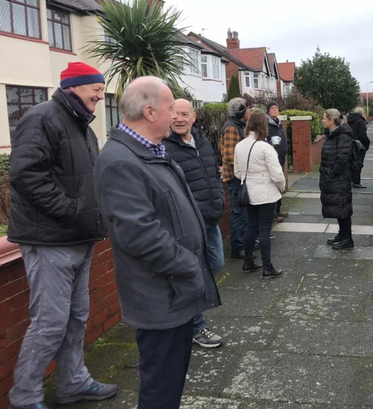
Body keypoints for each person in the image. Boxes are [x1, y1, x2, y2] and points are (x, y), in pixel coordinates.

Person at [93, 77, 221, 409]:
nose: (174, 115)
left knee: (171, 380)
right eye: (169, 109)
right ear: (150, 112)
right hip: (160, 295)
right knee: (160, 387)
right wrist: (189, 265)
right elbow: (140, 235)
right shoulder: (121, 161)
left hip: (174, 292)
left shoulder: (150, 150)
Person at [7, 62, 118, 409]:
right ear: (73, 87)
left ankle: (73, 383)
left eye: (101, 90)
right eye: (95, 89)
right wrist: (71, 211)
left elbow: (87, 180)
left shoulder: (84, 127)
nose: (101, 96)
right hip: (49, 241)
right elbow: (26, 174)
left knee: (76, 318)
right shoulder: (42, 117)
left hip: (78, 238)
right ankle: (24, 398)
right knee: (51, 324)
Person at [163, 99, 224, 349]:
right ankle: (196, 326)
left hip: (209, 220)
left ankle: (185, 319)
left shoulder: (202, 140)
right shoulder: (165, 147)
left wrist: (219, 194)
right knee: (192, 273)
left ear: (193, 116)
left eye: (184, 114)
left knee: (217, 264)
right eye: (174, 114)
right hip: (187, 225)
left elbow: (214, 171)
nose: (179, 118)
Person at [234, 108, 286, 279]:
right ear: (263, 126)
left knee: (251, 226)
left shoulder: (239, 146)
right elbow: (277, 174)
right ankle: (267, 267)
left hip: (248, 192)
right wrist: (281, 187)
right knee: (264, 229)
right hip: (266, 193)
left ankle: (248, 262)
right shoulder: (266, 147)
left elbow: (236, 172)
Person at [221, 98, 253, 259]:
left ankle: (245, 243)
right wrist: (247, 166)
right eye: (246, 109)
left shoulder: (239, 126)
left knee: (244, 212)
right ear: (241, 112)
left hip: (241, 177)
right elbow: (229, 156)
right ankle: (237, 247)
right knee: (238, 213)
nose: (248, 111)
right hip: (236, 178)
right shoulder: (232, 129)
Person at [320, 109, 354, 249]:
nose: (322, 120)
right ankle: (342, 234)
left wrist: (331, 173)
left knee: (342, 207)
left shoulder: (343, 136)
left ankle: (347, 239)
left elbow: (342, 158)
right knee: (339, 207)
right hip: (334, 179)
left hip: (339, 179)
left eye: (324, 118)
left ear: (331, 120)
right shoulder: (332, 134)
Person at [266, 101, 289, 222]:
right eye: (272, 108)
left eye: (276, 108)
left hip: (280, 158)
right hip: (272, 158)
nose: (275, 110)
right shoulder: (267, 124)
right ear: (268, 111)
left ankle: (278, 210)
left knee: (279, 184)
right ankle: (274, 214)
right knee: (274, 185)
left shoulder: (278, 123)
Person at [347, 107, 370, 189]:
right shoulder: (360, 121)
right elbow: (362, 135)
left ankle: (351, 180)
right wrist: (367, 144)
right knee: (358, 163)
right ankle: (357, 182)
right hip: (359, 145)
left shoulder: (348, 120)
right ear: (361, 113)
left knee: (351, 163)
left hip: (350, 144)